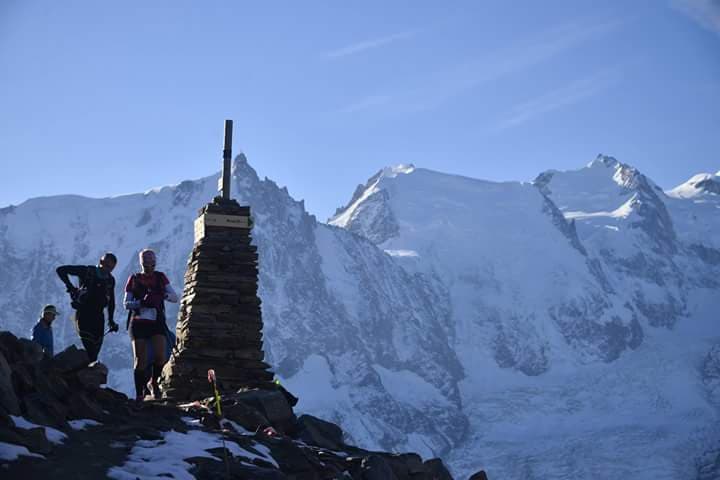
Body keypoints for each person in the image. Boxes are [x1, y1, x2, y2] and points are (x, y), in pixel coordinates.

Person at [124, 249, 178, 401]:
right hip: (138, 322)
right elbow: (126, 304)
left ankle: (153, 382)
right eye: (147, 265)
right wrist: (141, 303)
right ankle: (139, 394)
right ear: (142, 264)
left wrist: (162, 295)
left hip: (157, 321)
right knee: (140, 360)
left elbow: (174, 297)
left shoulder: (160, 278)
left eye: (152, 265)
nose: (150, 268)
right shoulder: (134, 279)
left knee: (161, 356)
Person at [56, 253, 119, 362]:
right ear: (101, 262)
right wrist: (70, 287)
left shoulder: (110, 280)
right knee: (90, 349)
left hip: (99, 317)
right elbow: (61, 270)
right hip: (83, 314)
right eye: (107, 265)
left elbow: (111, 302)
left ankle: (86, 374)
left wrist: (111, 320)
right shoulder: (86, 271)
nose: (108, 270)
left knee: (95, 350)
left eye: (111, 268)